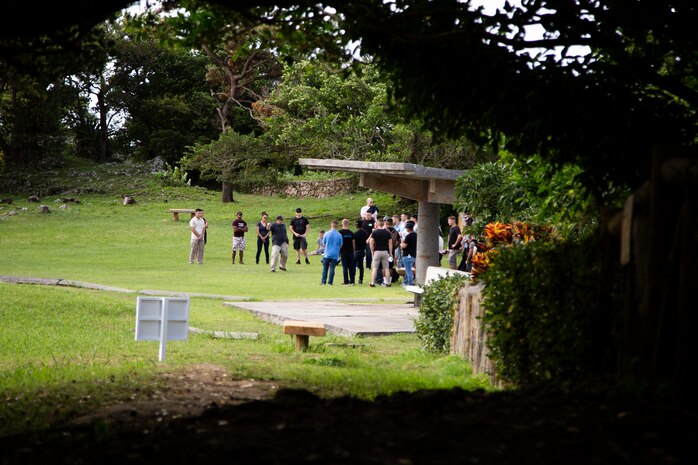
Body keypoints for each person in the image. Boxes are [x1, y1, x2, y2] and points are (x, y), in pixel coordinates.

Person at [368, 218, 393, 287]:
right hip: (385, 251)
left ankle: (372, 283)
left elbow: (371, 242)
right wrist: (390, 252)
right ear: (383, 224)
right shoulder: (387, 232)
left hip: (377, 251)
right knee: (386, 268)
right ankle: (388, 283)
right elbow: (390, 243)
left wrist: (372, 251)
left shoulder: (375, 232)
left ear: (377, 224)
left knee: (375, 268)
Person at [320, 220, 343, 285]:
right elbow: (341, 245)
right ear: (337, 226)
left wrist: (326, 249)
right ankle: (330, 282)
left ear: (331, 225)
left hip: (327, 253)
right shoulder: (339, 235)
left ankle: (323, 281)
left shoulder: (326, 234)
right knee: (332, 268)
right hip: (335, 254)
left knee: (325, 268)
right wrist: (337, 250)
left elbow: (323, 244)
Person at [338, 219, 355, 285]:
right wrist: (353, 251)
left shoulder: (340, 232)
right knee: (351, 267)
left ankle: (346, 281)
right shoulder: (351, 232)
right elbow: (353, 243)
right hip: (350, 251)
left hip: (343, 252)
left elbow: (339, 243)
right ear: (348, 224)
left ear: (342, 224)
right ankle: (352, 281)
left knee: (345, 267)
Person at [401, 221, 417, 286]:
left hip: (407, 255)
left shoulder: (408, 236)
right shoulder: (416, 235)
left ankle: (410, 283)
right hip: (413, 254)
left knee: (408, 270)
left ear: (408, 228)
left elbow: (404, 246)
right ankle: (404, 282)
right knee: (408, 269)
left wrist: (401, 243)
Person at [353, 219, 369, 285]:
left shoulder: (355, 234)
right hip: (362, 250)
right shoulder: (365, 233)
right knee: (361, 265)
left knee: (353, 265)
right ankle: (361, 279)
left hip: (356, 250)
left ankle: (352, 278)